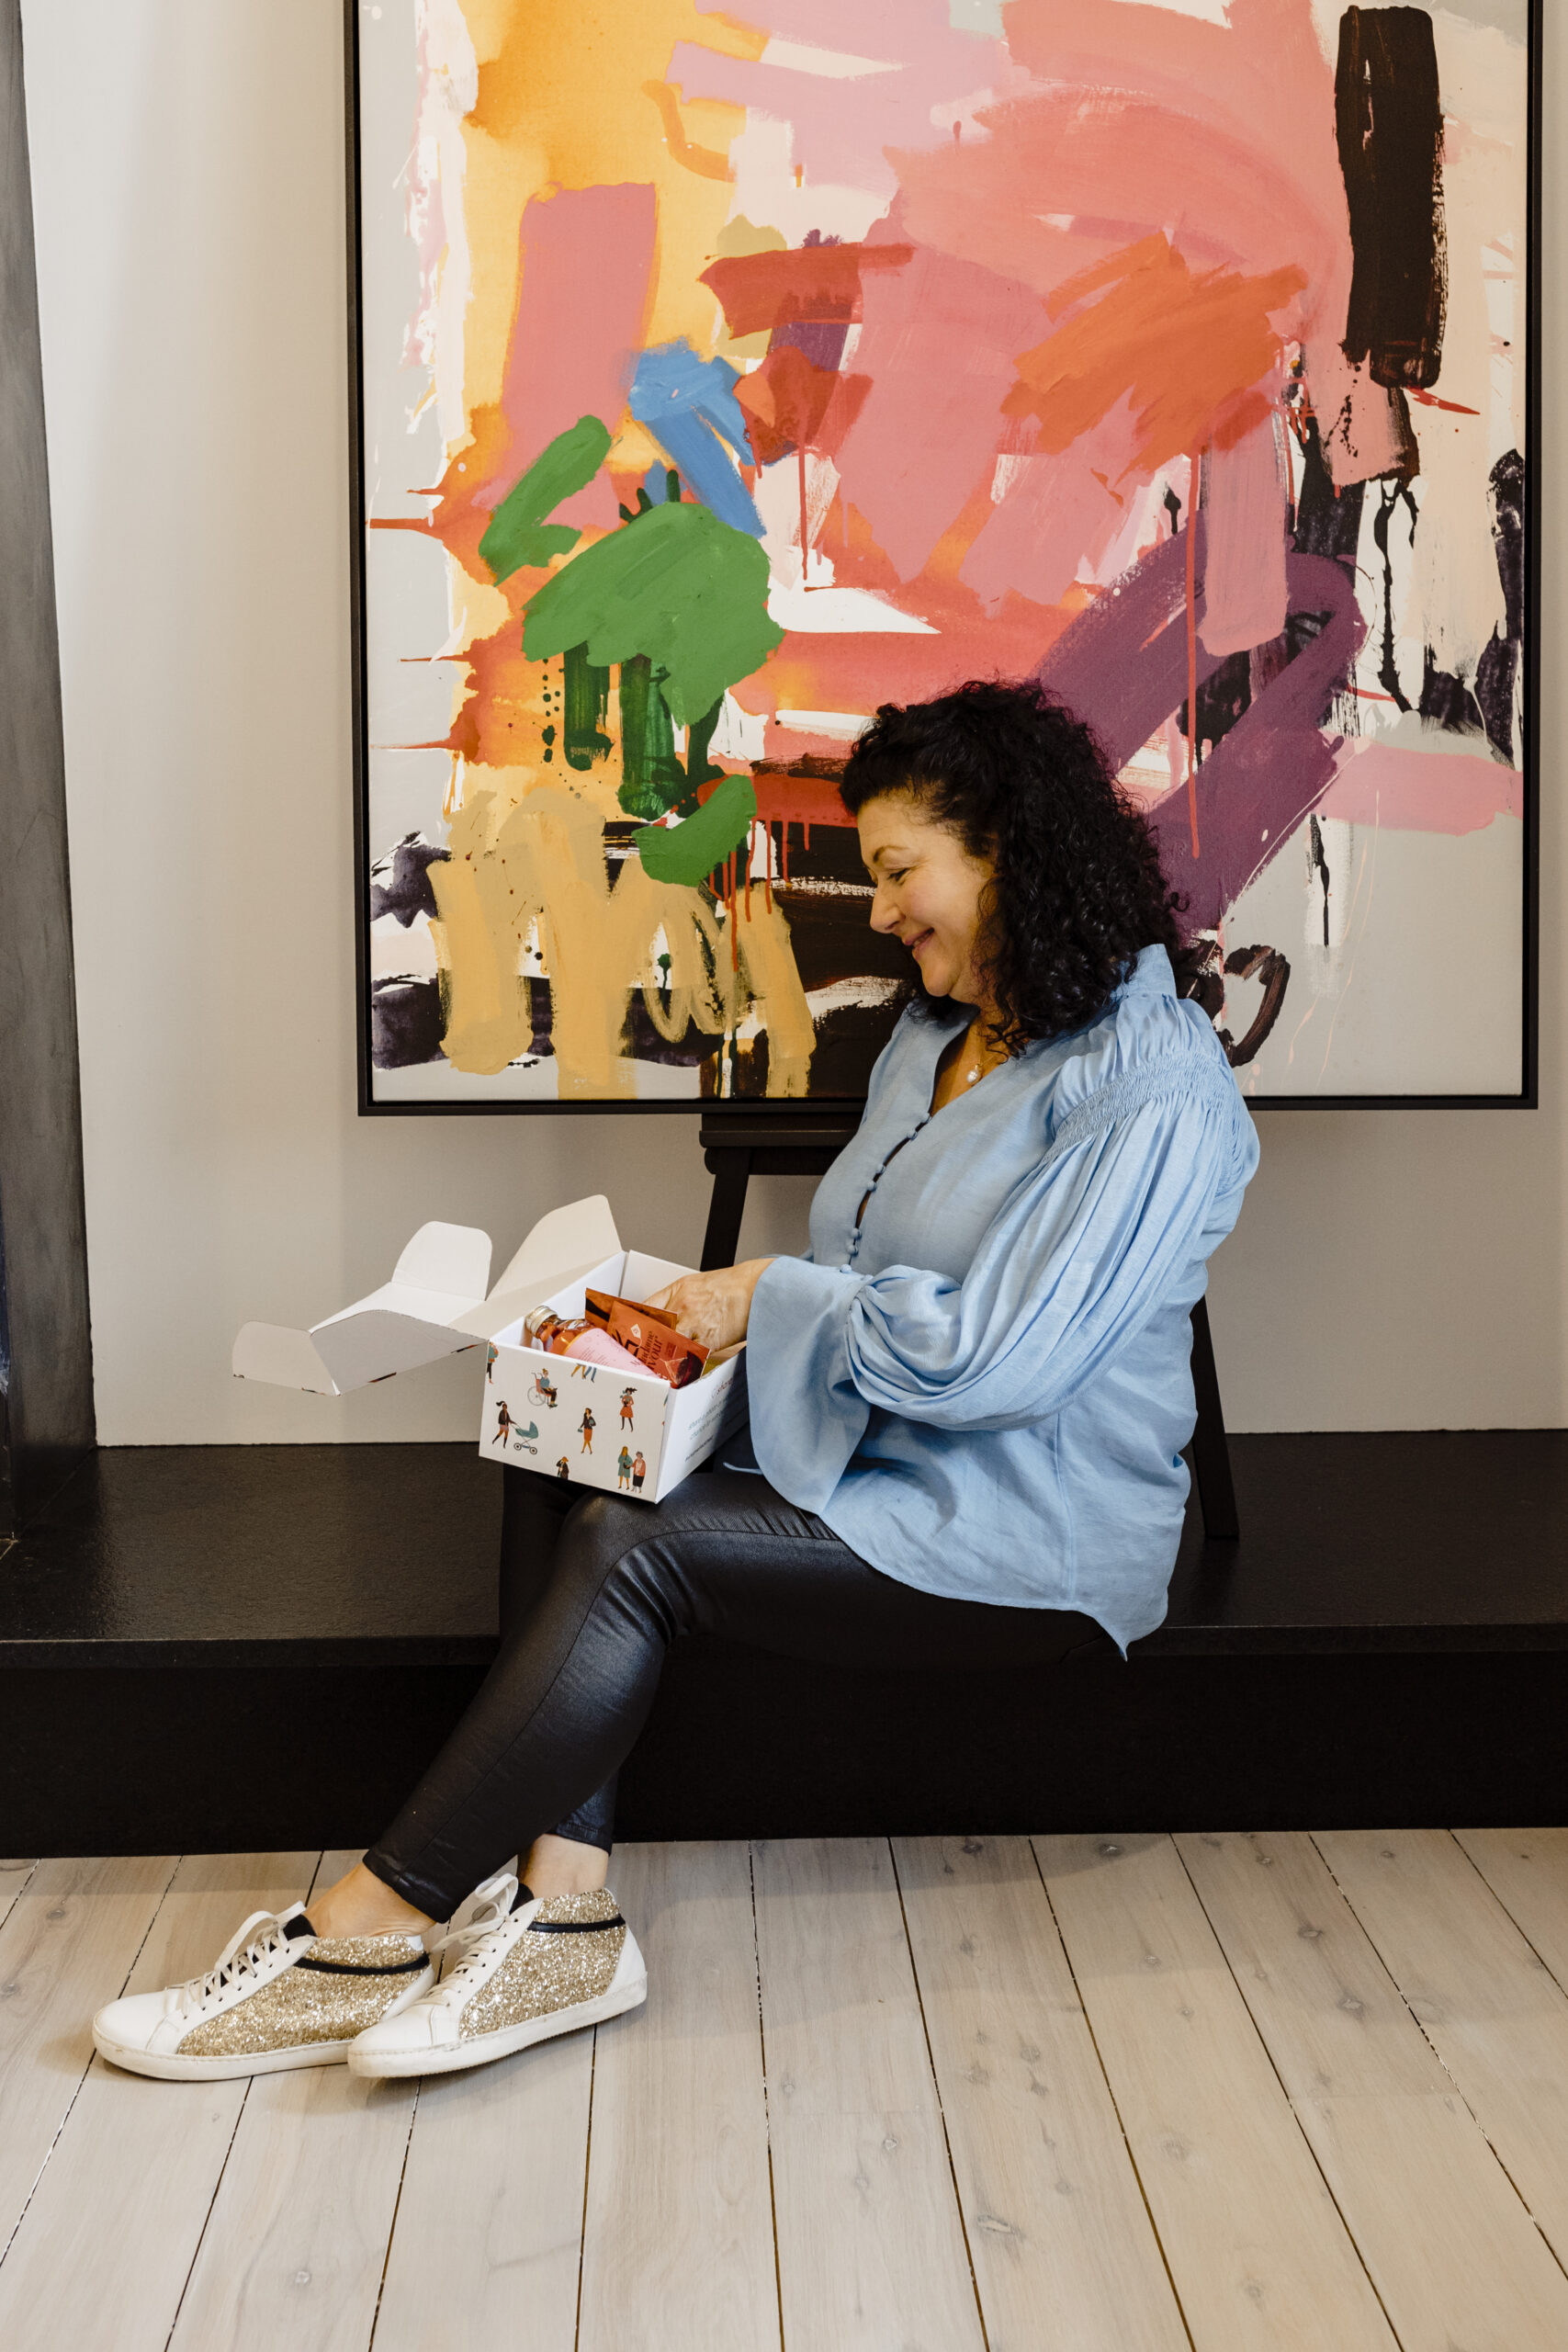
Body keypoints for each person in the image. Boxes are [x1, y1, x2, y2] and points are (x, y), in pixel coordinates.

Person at [93, 678, 1258, 2088]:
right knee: (567, 1424)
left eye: (901, 873)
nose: (882, 910)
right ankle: (566, 1921)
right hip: (873, 1462)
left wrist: (766, 1296)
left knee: (641, 1553)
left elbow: (1000, 1366)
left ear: (1010, 848)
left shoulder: (1154, 1081)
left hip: (1026, 1533)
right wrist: (652, 1338)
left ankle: (361, 1932)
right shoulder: (933, 1039)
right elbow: (875, 1289)